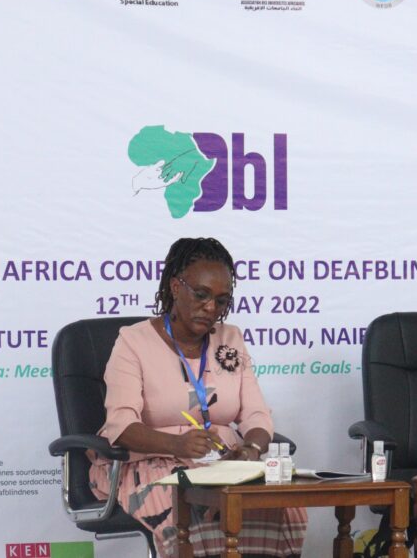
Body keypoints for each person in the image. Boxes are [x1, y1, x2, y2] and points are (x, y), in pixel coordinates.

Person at [89, 238, 306, 557]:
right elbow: (120, 426)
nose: (211, 308)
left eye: (221, 301)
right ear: (176, 287)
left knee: (283, 506)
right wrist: (176, 445)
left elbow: (256, 416)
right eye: (201, 295)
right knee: (188, 509)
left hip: (222, 462)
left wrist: (251, 449)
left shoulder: (230, 339)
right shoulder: (133, 342)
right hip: (150, 462)